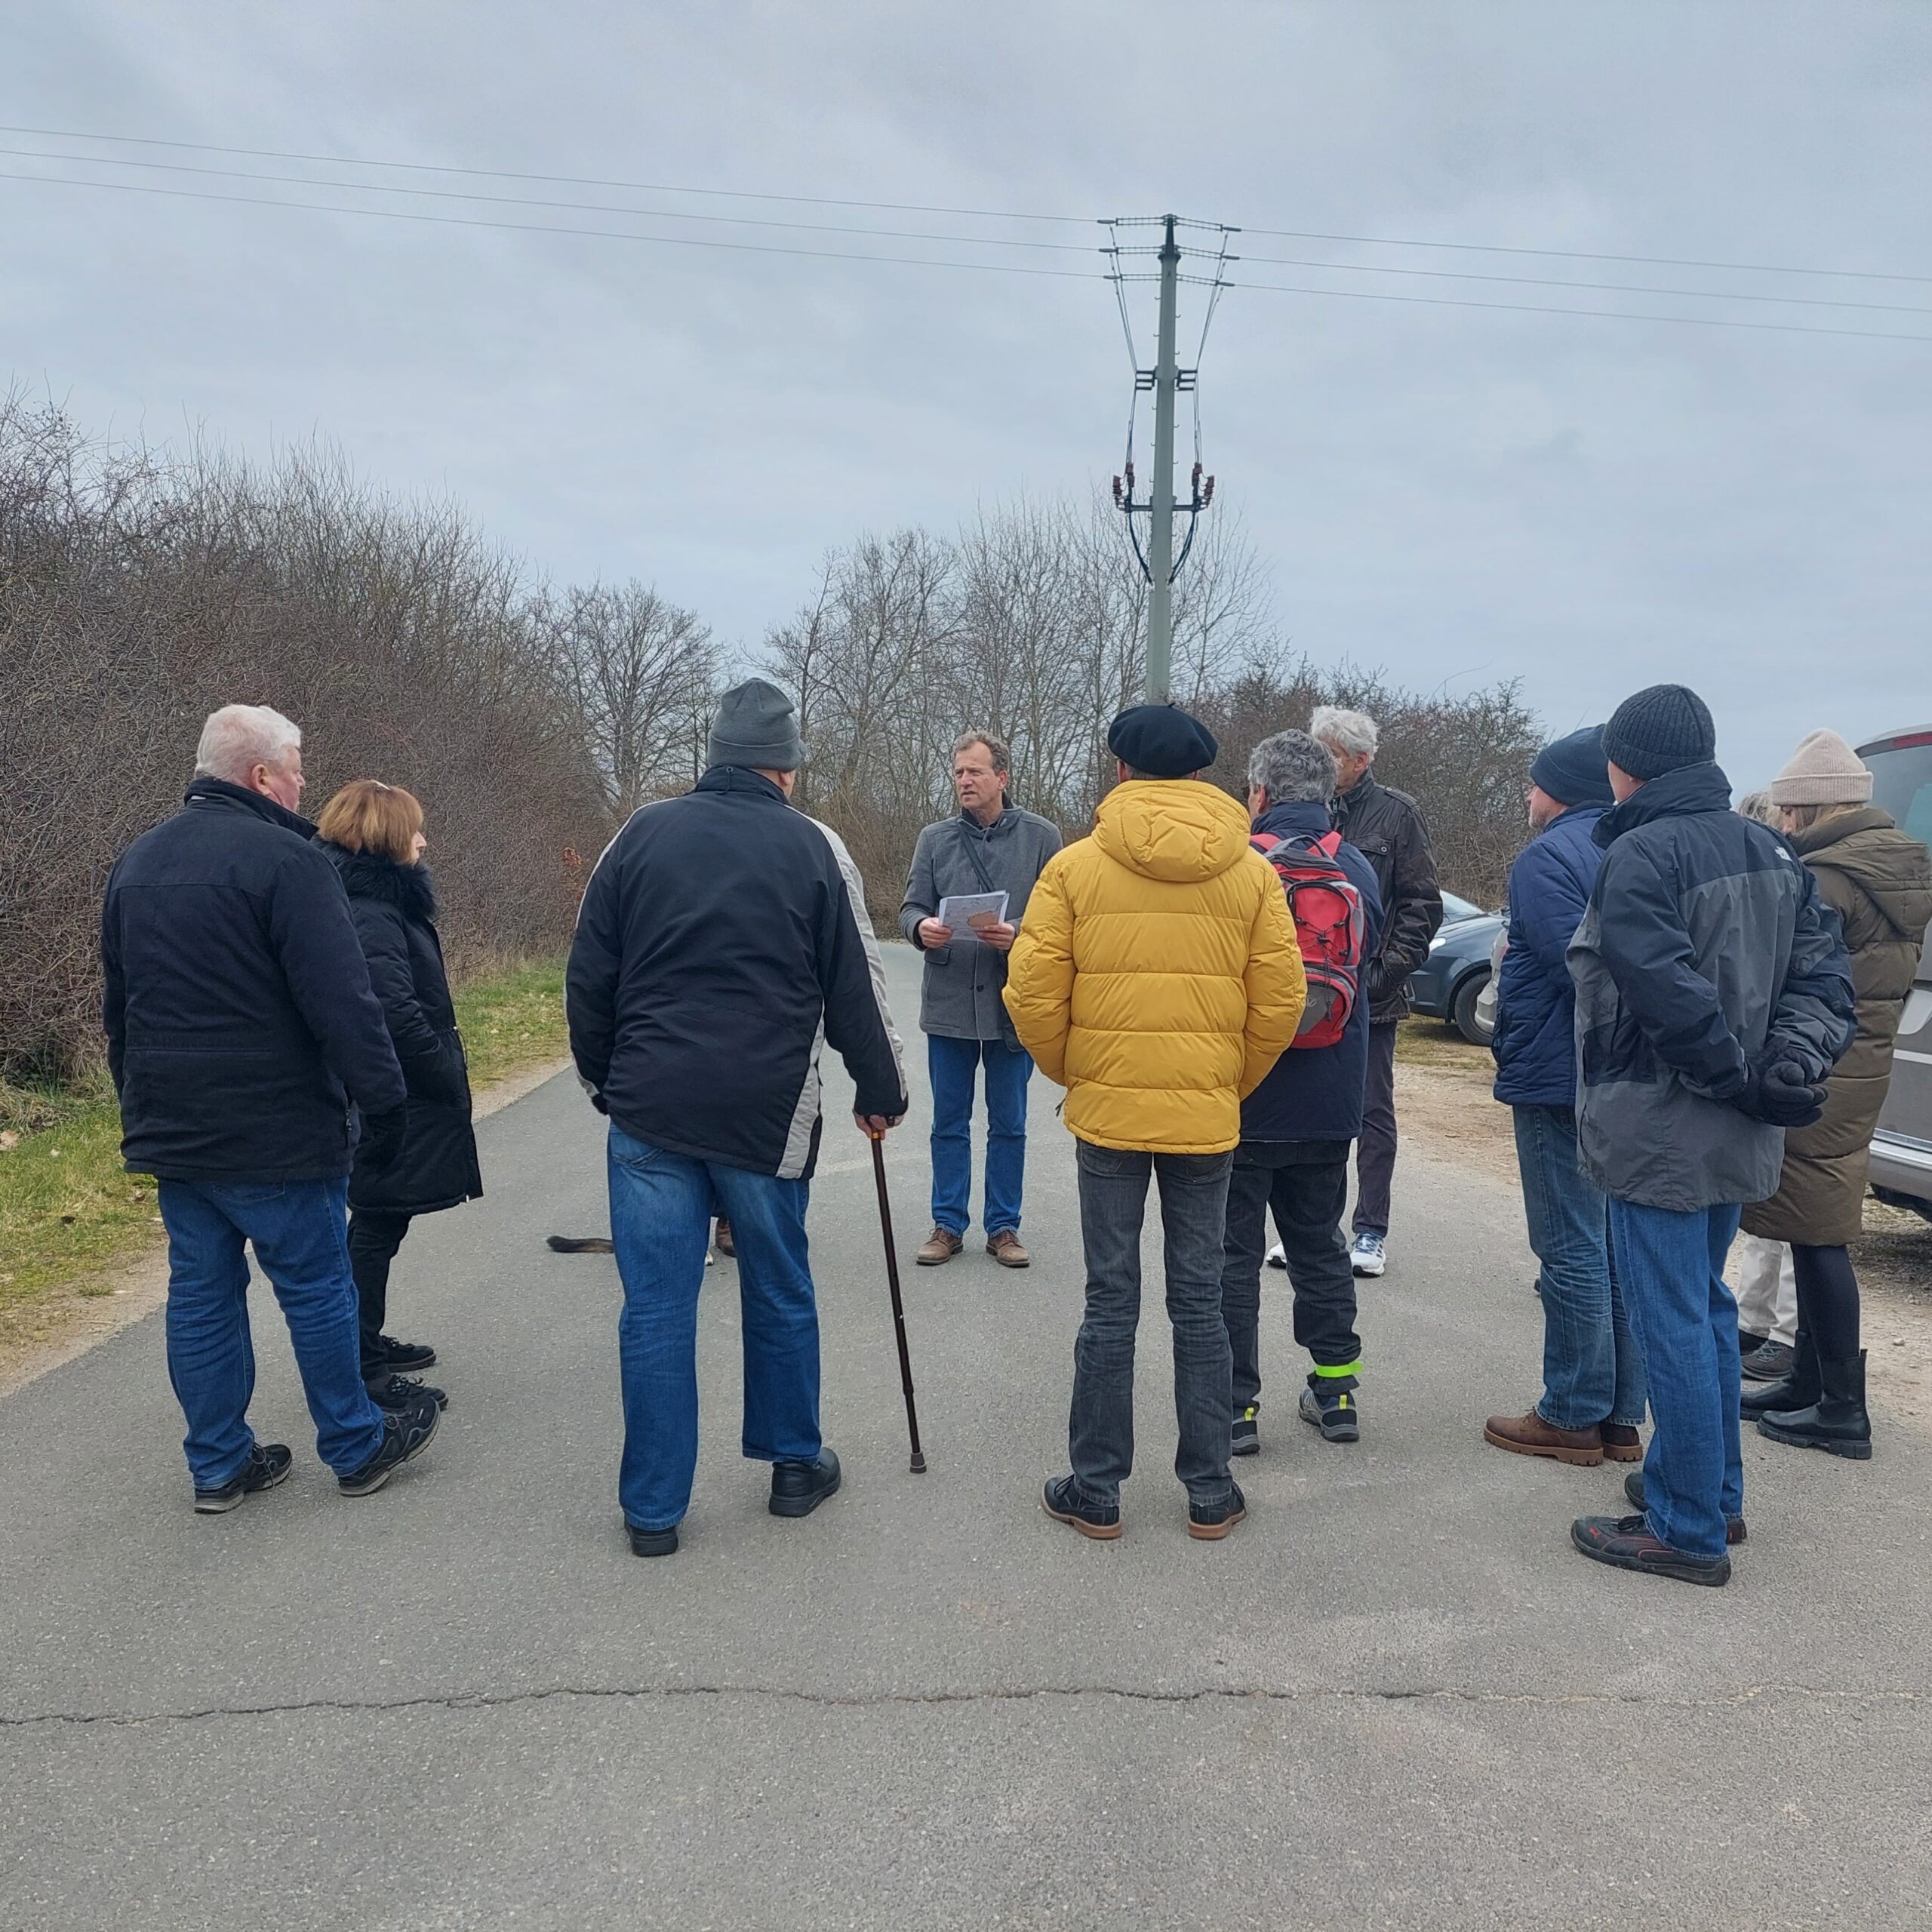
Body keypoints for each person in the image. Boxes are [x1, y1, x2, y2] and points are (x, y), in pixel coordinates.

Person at [566, 678, 909, 1559]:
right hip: (765, 1112)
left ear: (712, 756)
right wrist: (881, 1091)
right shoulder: (814, 847)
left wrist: (606, 1081)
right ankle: (794, 1466)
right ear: (787, 768)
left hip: (648, 1106)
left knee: (654, 1307)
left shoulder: (638, 834)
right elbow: (853, 990)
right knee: (777, 1283)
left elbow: (588, 974)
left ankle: (652, 1511)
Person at [100, 705, 442, 1511]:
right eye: (295, 769)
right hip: (278, 1127)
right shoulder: (289, 862)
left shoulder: (137, 860)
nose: (301, 783)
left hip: (174, 1128)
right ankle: (357, 1444)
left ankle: (218, 1463)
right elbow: (343, 1000)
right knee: (317, 1285)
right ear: (260, 776)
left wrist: (137, 1104)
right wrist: (387, 1099)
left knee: (201, 1292)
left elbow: (121, 1009)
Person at [1565, 685, 1854, 1587]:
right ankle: (1710, 1496)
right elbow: (1824, 978)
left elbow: (1658, 987)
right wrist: (1790, 1069)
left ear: (1626, 763)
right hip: (1736, 1126)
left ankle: (1686, 1524)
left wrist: (1741, 1073)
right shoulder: (1769, 844)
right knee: (1707, 1304)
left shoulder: (1642, 850)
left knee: (1673, 1320)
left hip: (1662, 1124)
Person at [1004, 703, 1304, 1542]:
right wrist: (1223, 1079)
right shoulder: (1250, 872)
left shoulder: (1073, 867)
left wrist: (1082, 1069)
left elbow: (1031, 995)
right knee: (1200, 1299)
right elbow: (1281, 1001)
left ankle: (1096, 1488)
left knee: (1110, 1298)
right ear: (1204, 777)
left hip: (1107, 1112)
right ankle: (1210, 1488)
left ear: (1121, 771)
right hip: (1206, 1115)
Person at [1738, 730, 1932, 1460]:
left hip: (1818, 1063)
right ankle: (1807, 1383)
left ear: (1807, 810)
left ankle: (1842, 1410)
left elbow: (1779, 972)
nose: (1783, 826)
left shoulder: (1825, 878)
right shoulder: (1897, 867)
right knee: (1813, 1221)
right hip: (1865, 1060)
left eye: (1788, 814)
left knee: (1817, 1234)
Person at [1484, 726, 1647, 1468]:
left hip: (1559, 1073)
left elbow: (1569, 963)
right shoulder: (1628, 845)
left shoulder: (1550, 855)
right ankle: (1618, 1414)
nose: (1526, 792)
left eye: (1534, 780)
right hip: (1619, 1077)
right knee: (1612, 1246)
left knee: (1568, 1246)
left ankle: (1571, 1411)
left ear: (1565, 788)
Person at [1217, 730, 1382, 1457]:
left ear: (1257, 794)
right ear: (1330, 794)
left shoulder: (1233, 868)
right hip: (1330, 1095)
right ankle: (1337, 1391)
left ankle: (1233, 1409)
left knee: (1231, 1256)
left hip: (1245, 1095)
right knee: (1319, 1245)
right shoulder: (1355, 870)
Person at [316, 780, 482, 1414]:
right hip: (394, 1086)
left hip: (398, 1083)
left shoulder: (377, 900)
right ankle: (361, 1363)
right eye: (414, 829)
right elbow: (391, 1006)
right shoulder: (369, 908)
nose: (424, 839)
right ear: (386, 837)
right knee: (378, 1220)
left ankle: (365, 1342)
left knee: (384, 1219)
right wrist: (441, 1070)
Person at [899, 731, 1063, 1269]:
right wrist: (922, 927)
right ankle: (947, 1224)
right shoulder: (934, 838)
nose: (964, 781)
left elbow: (1061, 920)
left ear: (1002, 777)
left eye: (975, 772)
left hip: (1011, 1003)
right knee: (948, 1121)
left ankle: (1003, 1226)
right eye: (958, 773)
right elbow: (910, 908)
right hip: (948, 1003)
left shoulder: (1043, 837)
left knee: (1009, 1123)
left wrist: (1019, 933)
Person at [1309, 706, 1444, 1280]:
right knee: (1312, 1115)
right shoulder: (1305, 810)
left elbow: (1421, 906)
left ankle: (1370, 1230)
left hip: (1371, 997)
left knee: (1370, 1113)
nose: (1321, 762)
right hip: (1309, 995)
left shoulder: (1398, 814)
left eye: (1332, 754)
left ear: (1360, 761)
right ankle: (1313, 1228)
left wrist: (1379, 975)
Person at [1730, 789, 1800, 1382]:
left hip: (1796, 1061)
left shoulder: (1798, 881)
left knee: (1800, 1209)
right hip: (1771, 1057)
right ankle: (1753, 1319)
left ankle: (1786, 1332)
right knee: (1764, 1208)